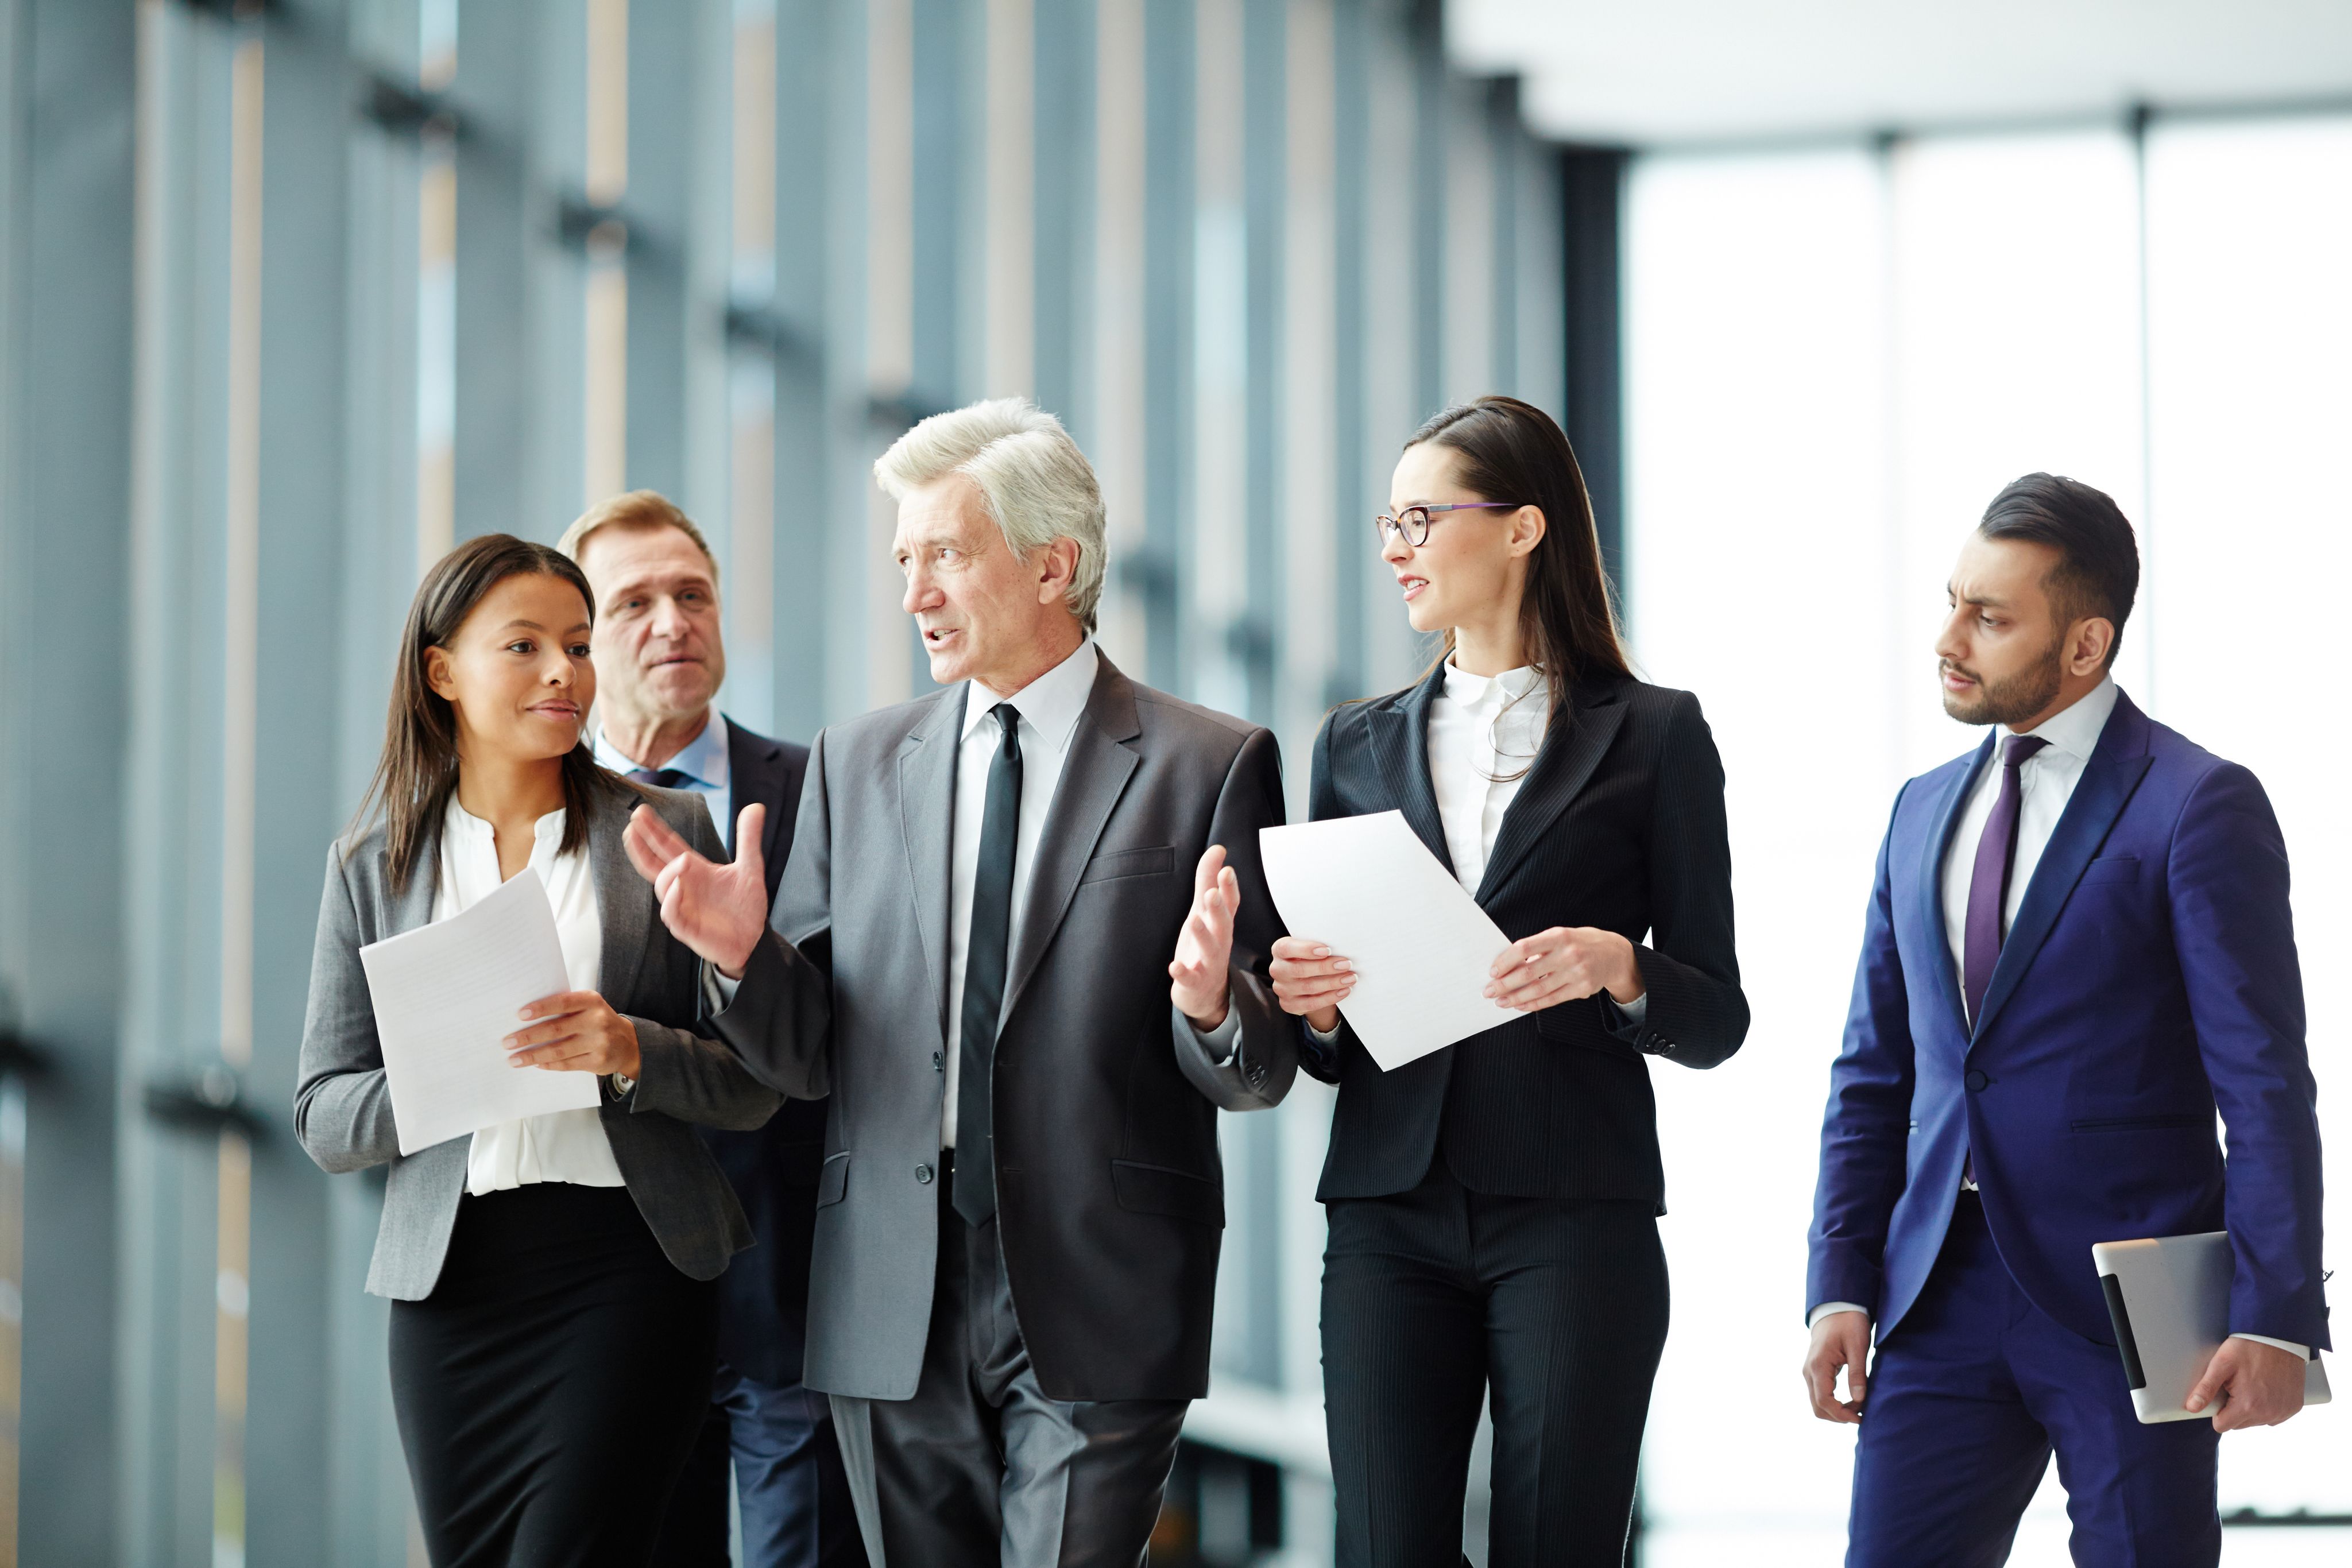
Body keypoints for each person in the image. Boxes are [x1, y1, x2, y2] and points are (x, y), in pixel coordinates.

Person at [614, 397, 1299, 1567]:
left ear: (1052, 563)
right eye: (902, 559)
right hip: (889, 1291)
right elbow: (808, 1048)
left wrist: (1206, 1006)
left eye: (943, 555)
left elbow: (1261, 1060)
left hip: (1098, 1287)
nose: (913, 592)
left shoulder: (1209, 762)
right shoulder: (858, 761)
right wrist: (742, 958)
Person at [1802, 475, 2328, 1566]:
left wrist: (2277, 1316)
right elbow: (1874, 1075)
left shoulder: (2196, 802)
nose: (1950, 638)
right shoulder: (1919, 810)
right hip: (1933, 1293)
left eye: (1990, 618)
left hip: (2133, 1305)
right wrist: (1839, 1281)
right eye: (1955, 601)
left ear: (2085, 644)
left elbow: (2264, 1082)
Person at [1267, 395, 1749, 1567]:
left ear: (1524, 527)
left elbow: (1715, 1011)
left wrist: (1619, 965)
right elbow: (1334, 1042)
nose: (1393, 546)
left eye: (1419, 517)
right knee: (1381, 1550)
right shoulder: (1349, 743)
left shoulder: (1653, 736)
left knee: (1559, 1547)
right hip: (1389, 1206)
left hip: (1575, 1207)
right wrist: (1315, 1005)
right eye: (1389, 520)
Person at [293, 534, 791, 1567]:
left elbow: (759, 1084)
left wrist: (629, 1049)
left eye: (576, 643)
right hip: (453, 1296)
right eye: (523, 647)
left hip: (627, 1273)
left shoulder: (665, 828)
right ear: (443, 672)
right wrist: (446, 1071)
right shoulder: (373, 866)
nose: (564, 673)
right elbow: (322, 1114)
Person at [560, 492, 862, 1568]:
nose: (672, 621)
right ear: (581, 643)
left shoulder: (827, 792)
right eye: (634, 602)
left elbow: (856, 1022)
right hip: (608, 1297)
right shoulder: (531, 813)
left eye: (694, 594)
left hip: (797, 1287)